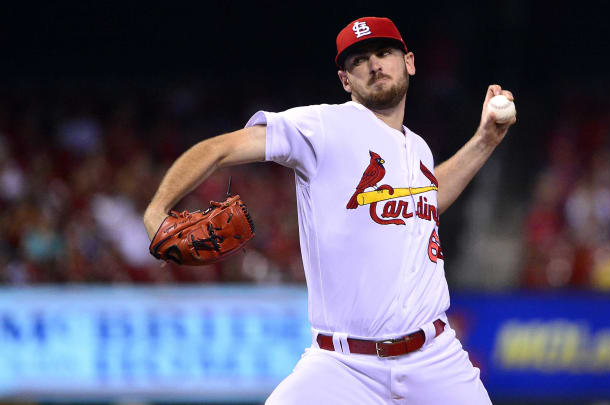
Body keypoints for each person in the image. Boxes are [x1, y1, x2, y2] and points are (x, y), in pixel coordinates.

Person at [144, 16, 515, 405]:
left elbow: (428, 200)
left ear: (409, 62)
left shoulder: (418, 147)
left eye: (384, 52)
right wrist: (157, 209)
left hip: (436, 360)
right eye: (359, 60)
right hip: (342, 366)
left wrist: (485, 140)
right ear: (345, 80)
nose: (374, 64)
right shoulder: (322, 126)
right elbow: (219, 149)